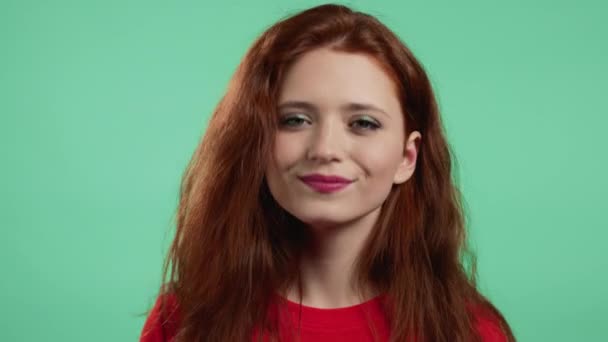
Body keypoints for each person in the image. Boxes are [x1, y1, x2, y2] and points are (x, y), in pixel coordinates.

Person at [140, 3, 515, 342]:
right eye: (295, 120)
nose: (324, 150)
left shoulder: (469, 331)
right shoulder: (185, 318)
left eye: (363, 123)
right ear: (257, 142)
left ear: (407, 157)